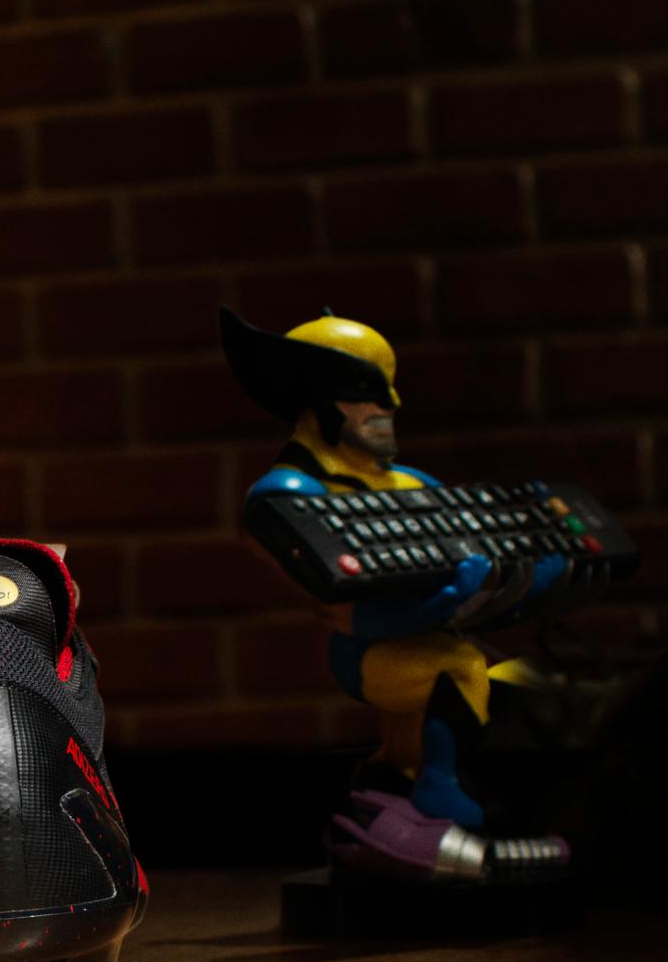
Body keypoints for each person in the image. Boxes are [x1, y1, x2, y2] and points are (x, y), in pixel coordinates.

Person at [223, 307, 574, 891]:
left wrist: (537, 563)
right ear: (320, 398)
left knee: (512, 678)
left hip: (434, 635)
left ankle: (411, 783)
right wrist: (447, 598)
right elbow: (349, 604)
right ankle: (437, 791)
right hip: (365, 645)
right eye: (368, 389)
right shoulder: (288, 495)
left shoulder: (411, 484)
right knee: (455, 666)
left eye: (389, 386)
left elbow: (484, 559)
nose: (391, 404)